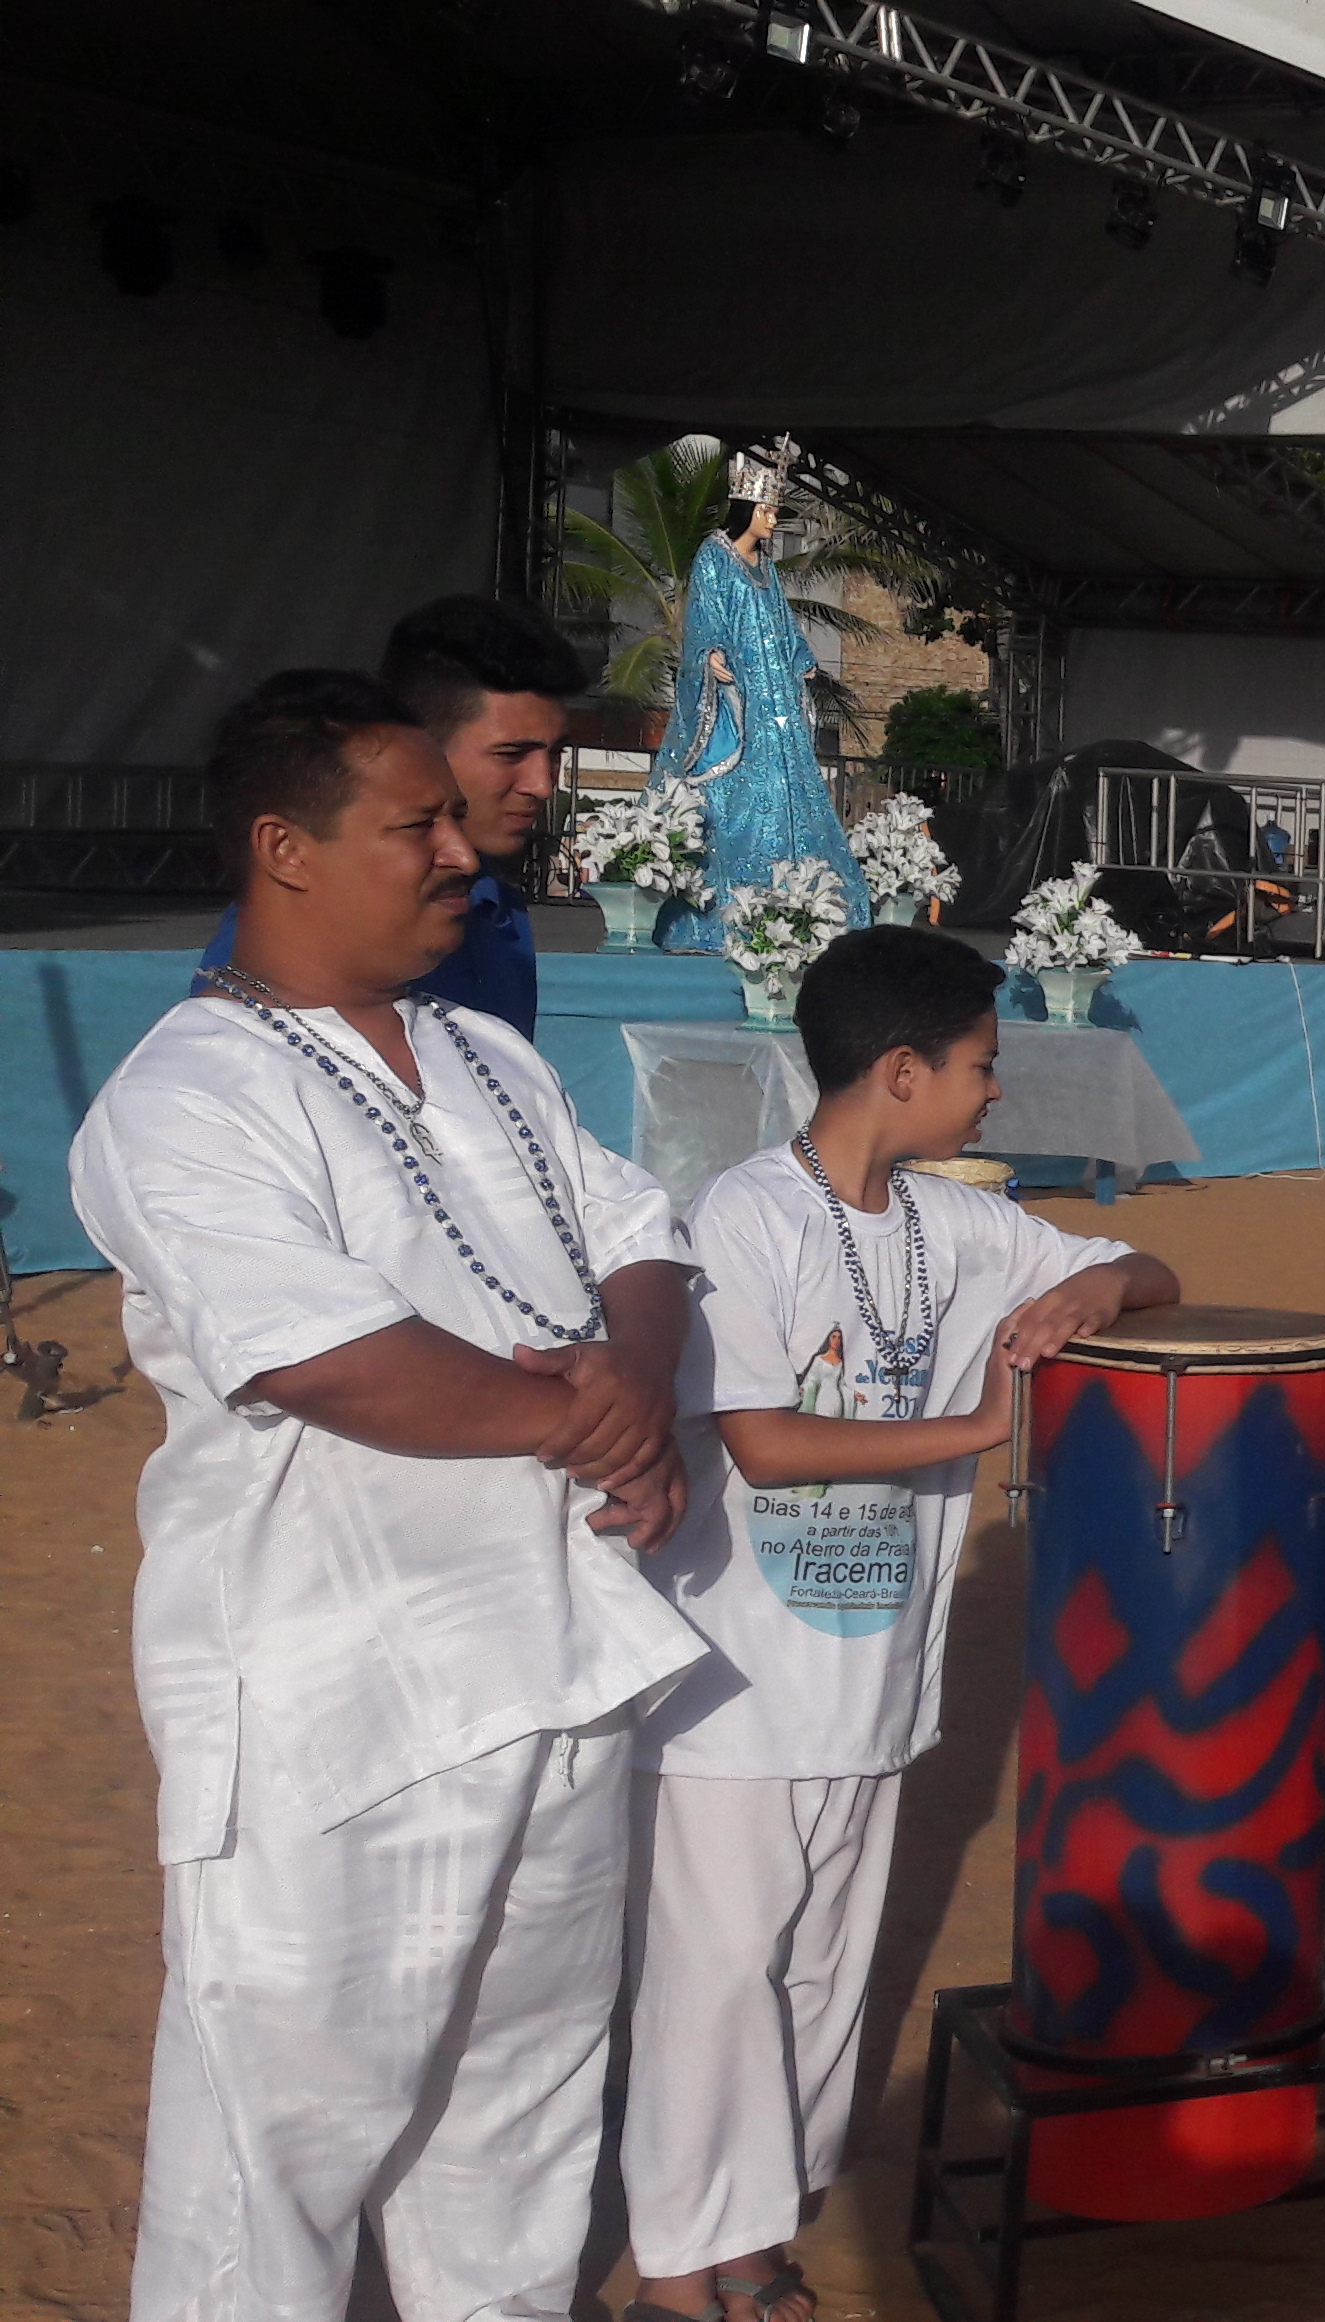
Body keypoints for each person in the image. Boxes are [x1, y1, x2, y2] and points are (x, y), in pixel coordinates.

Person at [72, 670, 706, 2321]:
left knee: (522, 2129)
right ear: (284, 847)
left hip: (562, 1666)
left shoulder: (484, 1051)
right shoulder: (186, 1095)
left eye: (452, 819)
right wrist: (593, 1423)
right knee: (273, 2167)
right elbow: (323, 1358)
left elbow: (640, 1234)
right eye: (416, 824)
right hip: (339, 1705)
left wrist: (636, 1380)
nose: (463, 853)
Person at [615, 925, 1175, 2322]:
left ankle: (757, 2236)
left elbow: (1146, 1263)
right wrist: (982, 1424)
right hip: (737, 1685)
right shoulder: (745, 1216)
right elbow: (763, 1441)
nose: (997, 1091)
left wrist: (1091, 1287)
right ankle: (677, 2268)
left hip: (870, 1678)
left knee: (820, 1970)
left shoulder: (957, 1223)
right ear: (903, 1070)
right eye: (981, 1065)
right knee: (715, 1977)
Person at [198, 595, 589, 1036]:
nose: (542, 784)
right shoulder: (293, 947)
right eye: (511, 754)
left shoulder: (497, 911)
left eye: (555, 753)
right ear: (419, 749)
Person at [658, 436, 866, 950]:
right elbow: (704, 616)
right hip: (741, 697)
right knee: (738, 797)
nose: (773, 521)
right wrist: (709, 655)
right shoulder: (715, 556)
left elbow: (782, 624)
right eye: (767, 511)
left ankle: (805, 904)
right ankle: (735, 910)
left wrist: (800, 658)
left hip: (777, 702)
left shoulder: (766, 567)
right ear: (746, 510)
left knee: (792, 790)